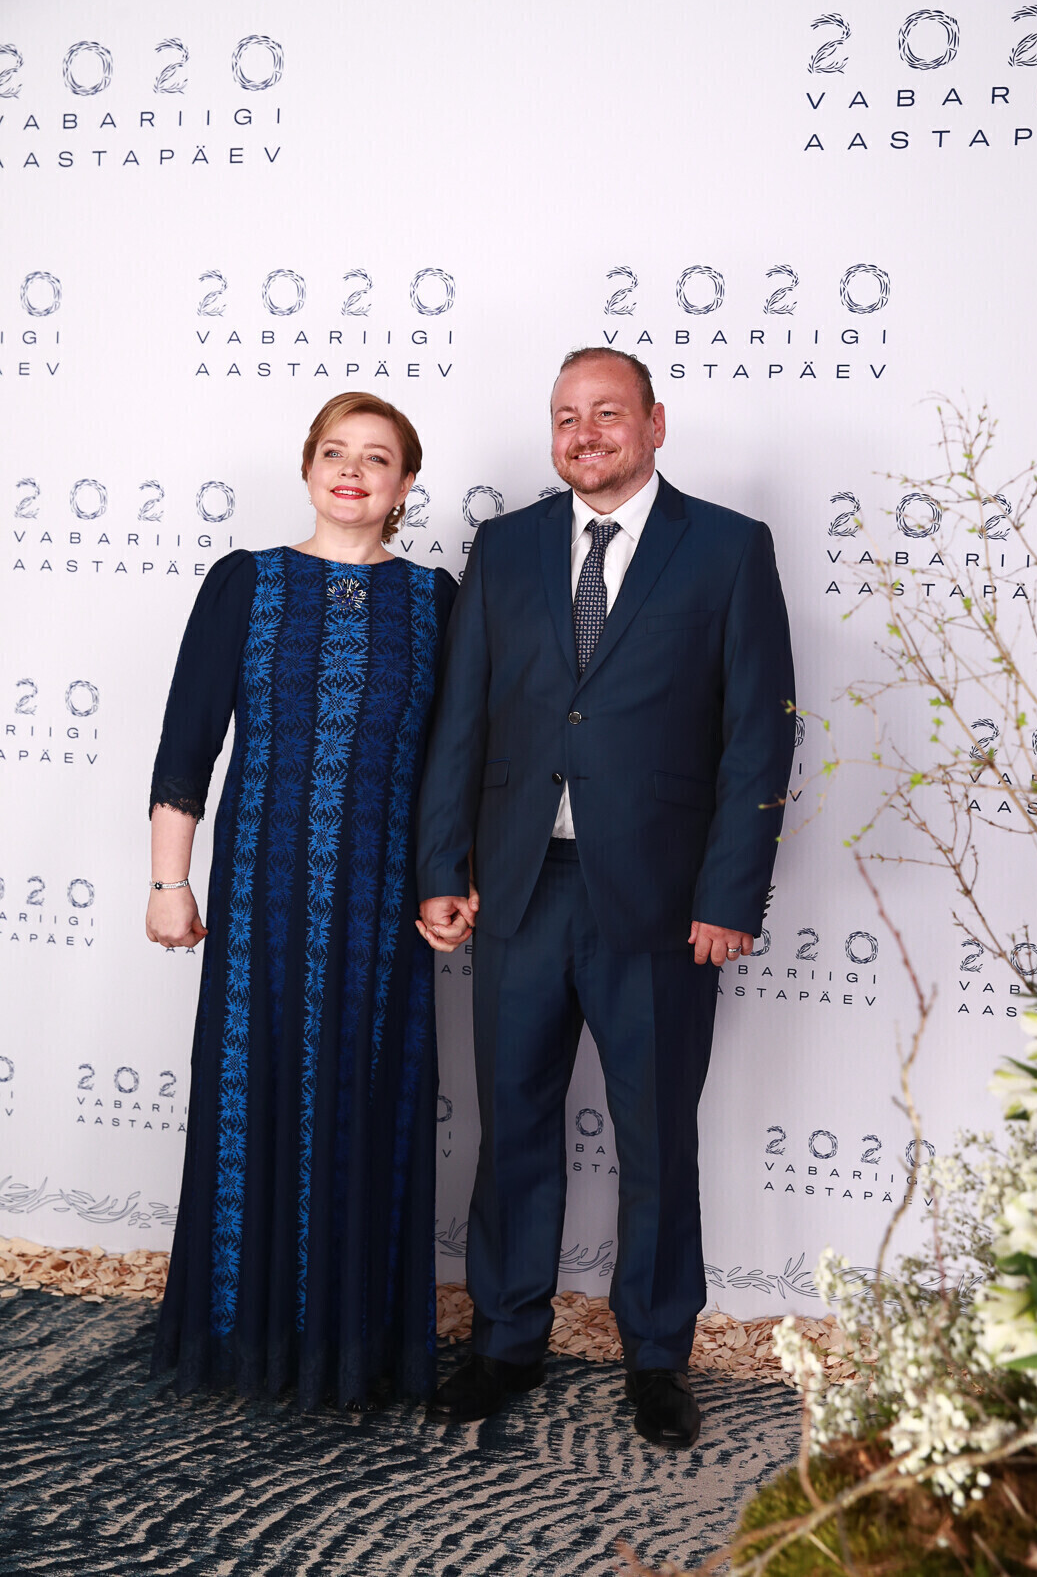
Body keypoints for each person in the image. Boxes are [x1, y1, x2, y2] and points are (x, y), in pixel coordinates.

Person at [416, 348, 795, 1446]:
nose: (585, 434)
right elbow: (462, 719)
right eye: (566, 417)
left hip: (665, 903)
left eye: (607, 413)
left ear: (655, 424)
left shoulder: (727, 547)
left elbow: (758, 733)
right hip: (520, 889)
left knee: (656, 1137)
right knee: (512, 1123)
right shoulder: (505, 548)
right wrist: (441, 869)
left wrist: (731, 893)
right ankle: (505, 1339)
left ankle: (659, 1355)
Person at [146, 391, 462, 1411]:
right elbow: (188, 742)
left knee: (368, 1104)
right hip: (261, 898)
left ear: (405, 485)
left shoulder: (437, 599)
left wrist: (449, 880)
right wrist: (168, 882)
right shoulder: (246, 582)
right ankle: (243, 1332)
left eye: (377, 458)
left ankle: (350, 1342)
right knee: (254, 1099)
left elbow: (458, 761)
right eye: (335, 452)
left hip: (383, 906)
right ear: (308, 467)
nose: (352, 471)